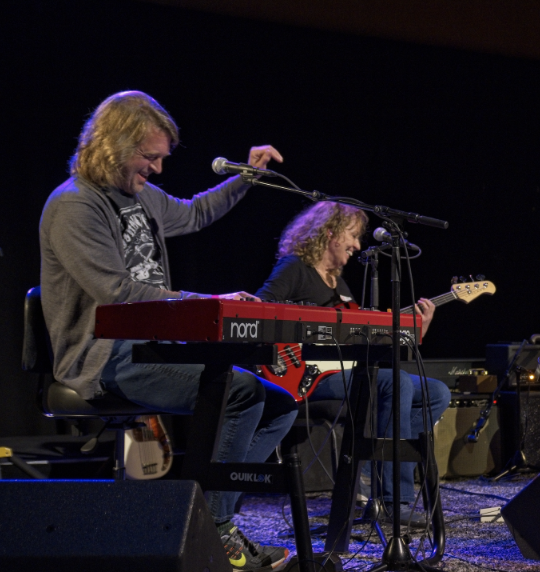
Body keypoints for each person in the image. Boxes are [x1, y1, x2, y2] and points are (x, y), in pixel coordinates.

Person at [39, 91, 296, 571]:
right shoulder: (75, 206)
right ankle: (216, 533)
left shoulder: (140, 195)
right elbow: (115, 290)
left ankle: (200, 515)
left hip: (152, 346)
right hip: (104, 356)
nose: (157, 170)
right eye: (149, 157)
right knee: (239, 392)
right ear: (114, 145)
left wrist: (249, 175)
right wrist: (209, 302)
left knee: (279, 403)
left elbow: (196, 212)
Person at [255, 201, 451, 525]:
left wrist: (420, 327)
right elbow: (259, 309)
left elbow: (368, 342)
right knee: (396, 382)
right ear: (329, 233)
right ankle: (392, 500)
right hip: (302, 374)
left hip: (344, 371)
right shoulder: (295, 268)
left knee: (437, 392)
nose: (358, 246)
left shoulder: (340, 285)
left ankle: (380, 473)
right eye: (352, 235)